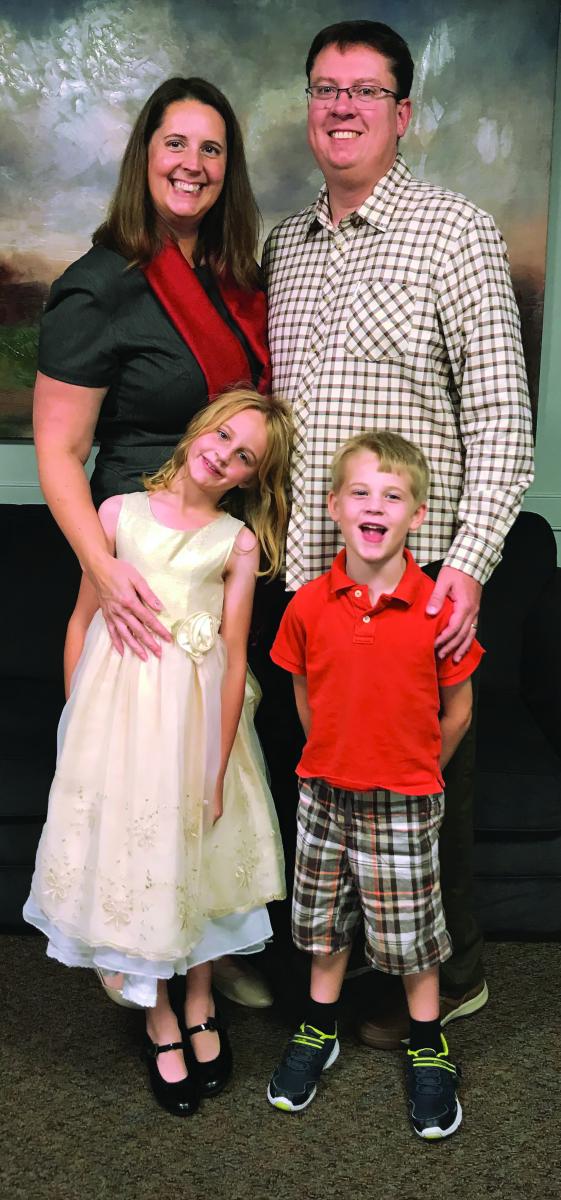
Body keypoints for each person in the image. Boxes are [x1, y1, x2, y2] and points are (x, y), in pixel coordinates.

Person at [260, 19, 534, 1043]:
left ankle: (449, 977)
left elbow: (502, 415)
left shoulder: (455, 229)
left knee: (425, 794)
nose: (340, 106)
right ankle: (334, 981)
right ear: (308, 106)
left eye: (365, 91)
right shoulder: (285, 243)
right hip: (311, 579)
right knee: (328, 782)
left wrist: (465, 569)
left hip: (420, 579)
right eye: (325, 87)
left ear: (402, 113)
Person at [34, 75, 273, 1009]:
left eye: (211, 149)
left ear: (228, 170)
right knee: (138, 762)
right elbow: (58, 450)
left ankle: (201, 935)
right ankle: (137, 957)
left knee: (216, 757)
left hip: (222, 548)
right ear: (145, 156)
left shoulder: (234, 281)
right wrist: (103, 567)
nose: (193, 163)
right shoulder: (99, 286)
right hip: (136, 552)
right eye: (176, 143)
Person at [24, 388, 292, 1117]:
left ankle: (201, 994)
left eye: (245, 457)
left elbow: (235, 658)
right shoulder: (116, 515)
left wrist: (214, 768)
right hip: (121, 727)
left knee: (197, 858)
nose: (224, 456)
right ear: (200, 427)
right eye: (223, 436)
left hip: (197, 728)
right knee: (143, 862)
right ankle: (159, 1015)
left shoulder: (235, 542)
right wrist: (77, 727)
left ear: (250, 479)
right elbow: (82, 623)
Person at [267, 431, 482, 1139]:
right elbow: (301, 692)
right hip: (324, 792)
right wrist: (331, 750)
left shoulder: (437, 609)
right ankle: (317, 1028)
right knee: (323, 924)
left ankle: (427, 1043)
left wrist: (417, 766)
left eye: (391, 496)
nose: (373, 505)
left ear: (416, 516)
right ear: (333, 506)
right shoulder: (307, 605)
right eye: (359, 491)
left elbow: (457, 709)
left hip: (405, 799)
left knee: (410, 934)